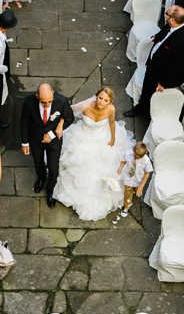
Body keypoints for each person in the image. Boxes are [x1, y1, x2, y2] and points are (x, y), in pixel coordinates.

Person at [52, 88, 134, 221]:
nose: (101, 102)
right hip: (82, 137)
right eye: (100, 98)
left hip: (102, 137)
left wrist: (113, 137)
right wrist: (60, 124)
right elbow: (68, 109)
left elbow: (112, 122)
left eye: (106, 100)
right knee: (78, 163)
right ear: (96, 96)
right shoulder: (86, 105)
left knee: (102, 166)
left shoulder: (111, 109)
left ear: (110, 101)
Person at [123, 6, 184, 119]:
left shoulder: (183, 41)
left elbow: (176, 66)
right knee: (146, 90)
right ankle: (141, 108)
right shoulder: (172, 25)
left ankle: (149, 115)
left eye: (167, 14)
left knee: (152, 94)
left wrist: (163, 82)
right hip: (153, 67)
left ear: (173, 20)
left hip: (161, 74)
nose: (165, 16)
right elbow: (165, 29)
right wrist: (158, 37)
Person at [20, 83, 76, 208]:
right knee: (37, 162)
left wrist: (52, 134)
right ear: (37, 96)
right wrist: (25, 143)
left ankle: (51, 190)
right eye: (44, 102)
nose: (47, 105)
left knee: (53, 167)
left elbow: (69, 118)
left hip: (54, 140)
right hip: (35, 139)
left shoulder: (61, 101)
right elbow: (24, 122)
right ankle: (40, 179)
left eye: (50, 101)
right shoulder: (29, 101)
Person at [117, 141, 153, 218]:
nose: (136, 158)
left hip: (138, 180)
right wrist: (120, 168)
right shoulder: (128, 153)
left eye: (138, 157)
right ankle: (126, 207)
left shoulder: (146, 160)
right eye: (135, 156)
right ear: (133, 150)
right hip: (128, 179)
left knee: (137, 192)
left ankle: (136, 191)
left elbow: (147, 173)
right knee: (127, 194)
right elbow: (123, 160)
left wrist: (141, 186)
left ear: (145, 153)